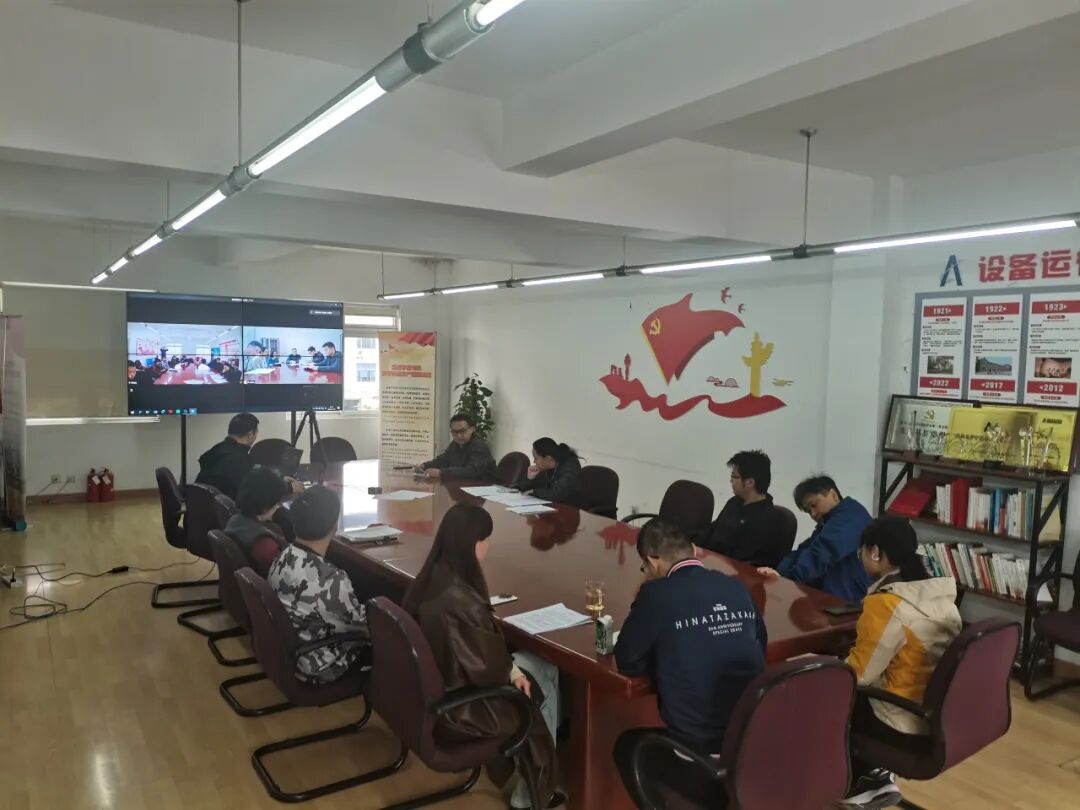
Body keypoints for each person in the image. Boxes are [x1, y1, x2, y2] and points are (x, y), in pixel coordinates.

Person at [402, 503, 563, 809]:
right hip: (461, 711)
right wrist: (513, 672)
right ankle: (534, 791)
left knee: (525, 670)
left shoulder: (429, 578)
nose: (488, 546)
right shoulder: (463, 603)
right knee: (544, 672)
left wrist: (511, 668)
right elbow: (489, 670)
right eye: (485, 539)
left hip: (432, 696)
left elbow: (484, 657)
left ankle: (536, 774)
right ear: (471, 544)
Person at [613, 519, 766, 808]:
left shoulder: (656, 594)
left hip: (699, 746)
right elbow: (760, 641)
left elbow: (628, 660)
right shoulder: (734, 586)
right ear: (694, 550)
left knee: (627, 746)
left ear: (652, 561)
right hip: (749, 733)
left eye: (645, 568)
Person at [840, 517, 962, 809]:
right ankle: (877, 775)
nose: (861, 557)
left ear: (875, 553)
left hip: (899, 723)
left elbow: (859, 675)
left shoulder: (886, 604)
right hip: (935, 719)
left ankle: (861, 781)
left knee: (829, 693)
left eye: (861, 551)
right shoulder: (940, 595)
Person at [268, 486, 370, 684]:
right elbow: (366, 628)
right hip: (317, 665)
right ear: (334, 526)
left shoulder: (283, 555)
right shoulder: (331, 579)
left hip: (288, 648)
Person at [757, 475, 871, 603]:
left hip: (851, 598)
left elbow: (822, 553)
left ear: (833, 495)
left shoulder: (851, 518)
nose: (813, 514)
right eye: (808, 511)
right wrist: (779, 574)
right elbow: (806, 549)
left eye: (814, 505)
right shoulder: (830, 520)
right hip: (835, 592)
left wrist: (788, 579)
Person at [701, 450, 796, 567]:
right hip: (707, 561)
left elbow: (743, 559)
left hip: (728, 571)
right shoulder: (734, 502)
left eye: (734, 477)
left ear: (750, 482)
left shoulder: (769, 519)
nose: (731, 480)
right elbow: (713, 529)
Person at [224, 466, 290, 576]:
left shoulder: (234, 520)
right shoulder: (265, 546)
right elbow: (285, 575)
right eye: (277, 504)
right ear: (265, 507)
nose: (278, 507)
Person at [195, 412, 261, 500]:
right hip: (228, 507)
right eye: (256, 433)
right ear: (250, 434)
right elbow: (247, 497)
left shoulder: (215, 451)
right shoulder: (239, 460)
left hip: (203, 505)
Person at [415, 413, 498, 481]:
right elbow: (443, 460)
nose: (459, 436)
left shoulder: (479, 445)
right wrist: (425, 465)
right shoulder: (456, 444)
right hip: (468, 486)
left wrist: (441, 473)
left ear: (472, 429)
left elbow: (472, 471)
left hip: (488, 487)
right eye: (454, 432)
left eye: (462, 431)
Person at [514, 438, 586, 508]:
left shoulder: (570, 467)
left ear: (548, 458)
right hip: (552, 507)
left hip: (570, 509)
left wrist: (534, 492)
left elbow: (557, 494)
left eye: (536, 458)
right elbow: (524, 490)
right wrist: (530, 478)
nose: (534, 462)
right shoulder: (547, 466)